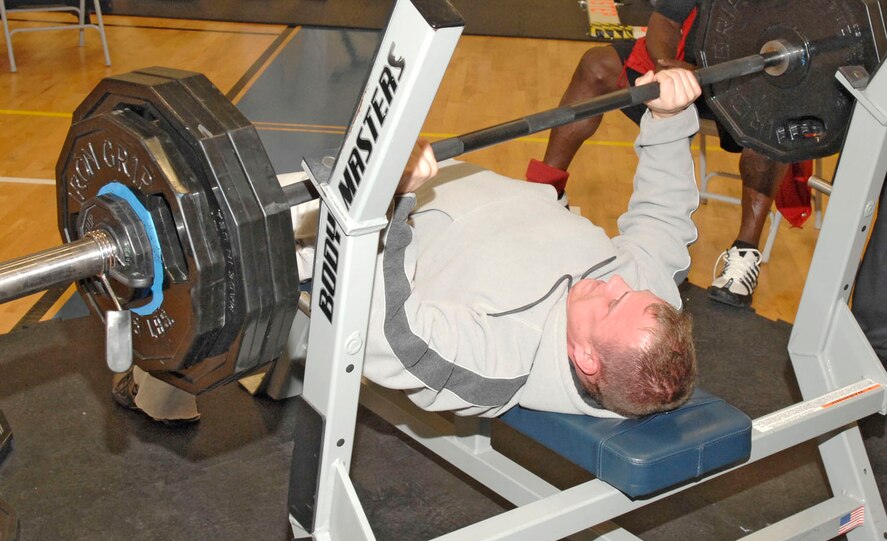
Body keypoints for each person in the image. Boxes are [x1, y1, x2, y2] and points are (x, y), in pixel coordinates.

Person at [114, 67, 701, 423]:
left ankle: (159, 389)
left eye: (613, 305)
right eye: (637, 295)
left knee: (220, 234)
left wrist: (385, 205)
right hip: (449, 184)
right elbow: (666, 217)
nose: (620, 284)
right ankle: (284, 368)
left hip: (376, 233)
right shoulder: (643, 297)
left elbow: (382, 334)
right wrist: (671, 116)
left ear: (587, 360)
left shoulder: (501, 361)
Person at [527, 0, 788, 308]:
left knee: (781, 119)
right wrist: (668, 64)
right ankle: (546, 192)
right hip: (690, 71)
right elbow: (664, 20)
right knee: (596, 65)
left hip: (756, 84)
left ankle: (745, 254)